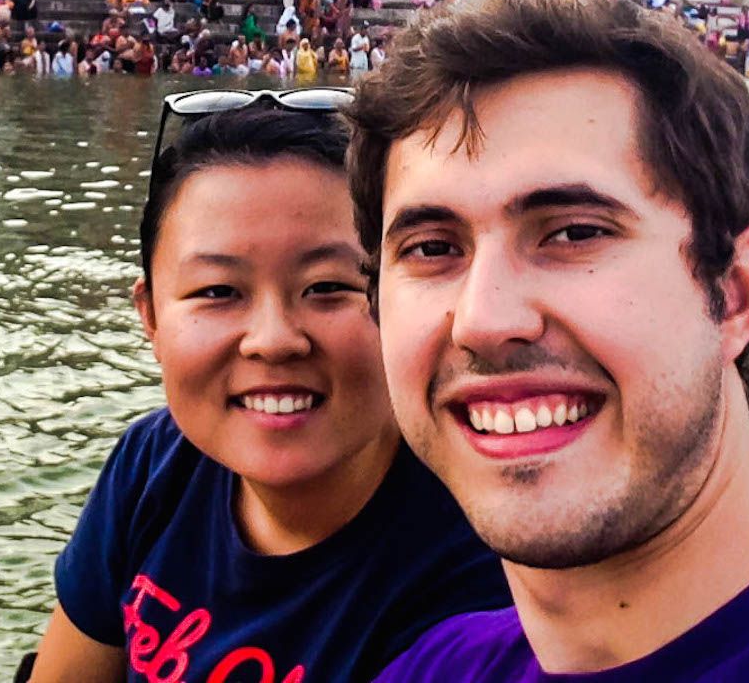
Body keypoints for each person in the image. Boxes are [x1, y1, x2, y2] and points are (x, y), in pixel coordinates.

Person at [348, 0, 749, 682]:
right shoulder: (436, 666)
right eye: (432, 249)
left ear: (734, 292)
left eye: (575, 233)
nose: (484, 320)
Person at [26, 101, 507, 683]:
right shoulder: (155, 464)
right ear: (150, 316)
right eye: (218, 291)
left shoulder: (486, 578)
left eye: (328, 286)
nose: (274, 341)